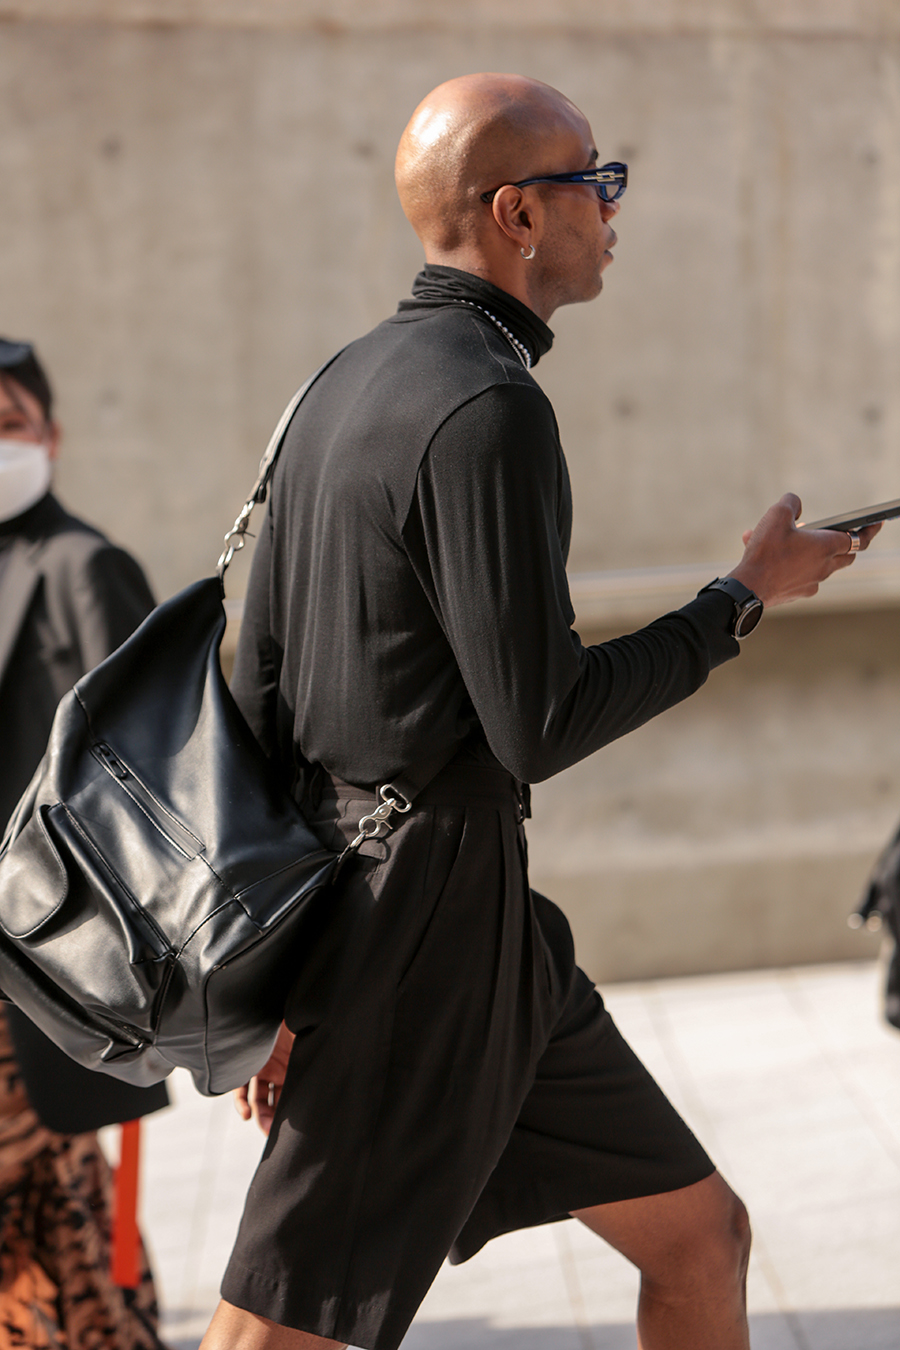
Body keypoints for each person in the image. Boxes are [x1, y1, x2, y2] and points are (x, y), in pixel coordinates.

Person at [203, 75, 878, 1350]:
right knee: (280, 1328)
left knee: (701, 1236)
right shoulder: (490, 406)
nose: (614, 211)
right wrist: (740, 598)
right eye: (596, 182)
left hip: (456, 923)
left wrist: (268, 958)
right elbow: (539, 723)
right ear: (516, 212)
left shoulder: (339, 383)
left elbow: (257, 688)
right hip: (417, 938)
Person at [0, 337, 170, 1349]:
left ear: (51, 436)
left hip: (40, 966)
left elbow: (151, 778)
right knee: (53, 1206)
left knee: (48, 1187)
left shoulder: (82, 566)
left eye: (9, 422)